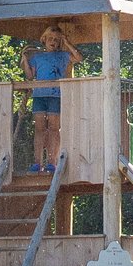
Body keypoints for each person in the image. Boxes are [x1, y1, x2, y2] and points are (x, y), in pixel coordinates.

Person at [24, 21, 75, 176]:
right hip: (39, 95)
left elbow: (78, 57)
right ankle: (37, 163)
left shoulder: (63, 55)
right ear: (44, 39)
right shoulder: (37, 57)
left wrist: (66, 41)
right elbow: (30, 75)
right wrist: (25, 59)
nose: (53, 42)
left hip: (56, 95)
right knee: (39, 129)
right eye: (50, 38)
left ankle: (52, 162)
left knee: (53, 128)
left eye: (56, 39)